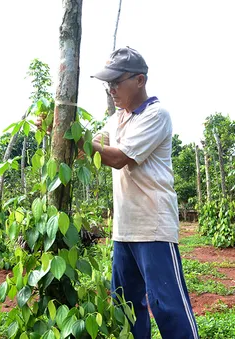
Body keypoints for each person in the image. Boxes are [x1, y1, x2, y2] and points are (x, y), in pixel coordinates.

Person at [89, 47, 199, 339]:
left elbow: (117, 157)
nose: (111, 89)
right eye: (107, 83)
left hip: (153, 227)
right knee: (127, 308)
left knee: (168, 308)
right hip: (124, 230)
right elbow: (92, 146)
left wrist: (79, 142)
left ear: (139, 80)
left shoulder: (155, 114)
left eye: (116, 81)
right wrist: (58, 130)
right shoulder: (117, 118)